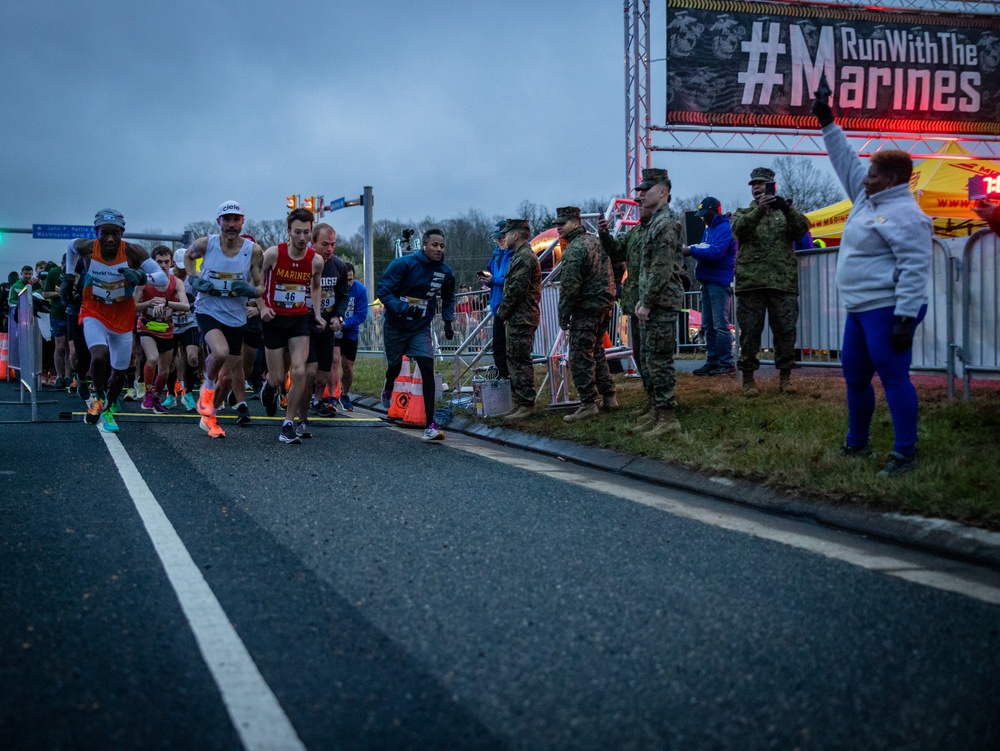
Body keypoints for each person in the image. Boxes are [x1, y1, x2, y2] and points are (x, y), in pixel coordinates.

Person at [813, 93, 932, 478]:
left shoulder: (908, 215)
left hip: (889, 309)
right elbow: (844, 158)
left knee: (894, 375)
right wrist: (828, 120)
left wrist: (905, 317)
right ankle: (858, 444)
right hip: (860, 309)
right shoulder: (867, 198)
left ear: (893, 180)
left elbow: (916, 267)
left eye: (874, 175)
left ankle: (905, 454)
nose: (865, 179)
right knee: (855, 375)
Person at [62, 209, 167, 432]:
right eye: (105, 233)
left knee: (119, 372)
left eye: (115, 234)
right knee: (99, 355)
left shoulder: (133, 252)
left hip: (122, 317)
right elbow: (71, 246)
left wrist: (142, 277)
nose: (110, 239)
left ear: (122, 233)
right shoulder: (87, 247)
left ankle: (107, 407)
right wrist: (68, 275)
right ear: (96, 232)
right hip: (94, 312)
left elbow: (162, 279)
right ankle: (97, 395)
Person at [185, 200, 265, 438]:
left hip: (235, 316)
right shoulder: (206, 244)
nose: (231, 225)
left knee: (229, 377)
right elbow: (188, 258)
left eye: (236, 220)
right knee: (219, 352)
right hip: (208, 309)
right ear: (218, 222)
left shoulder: (253, 251)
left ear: (242, 222)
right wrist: (195, 277)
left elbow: (261, 286)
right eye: (226, 220)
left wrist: (249, 290)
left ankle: (209, 417)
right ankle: (207, 391)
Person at [731, 167, 810, 397]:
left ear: (772, 186)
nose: (757, 188)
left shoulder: (785, 213)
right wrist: (759, 211)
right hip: (751, 284)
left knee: (786, 331)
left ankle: (785, 379)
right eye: (754, 184)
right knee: (750, 333)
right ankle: (748, 380)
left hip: (782, 283)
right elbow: (738, 230)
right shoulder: (743, 212)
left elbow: (802, 229)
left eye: (762, 184)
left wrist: (786, 208)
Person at [376, 227, 456, 441]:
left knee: (427, 368)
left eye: (442, 246)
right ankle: (388, 383)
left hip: (420, 326)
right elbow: (383, 290)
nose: (439, 249)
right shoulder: (403, 264)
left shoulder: (445, 272)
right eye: (435, 245)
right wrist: (401, 308)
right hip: (396, 325)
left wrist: (448, 321)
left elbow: (449, 296)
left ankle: (430, 424)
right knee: (394, 365)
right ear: (424, 245)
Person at [257, 207, 326, 444]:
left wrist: (316, 313)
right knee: (277, 378)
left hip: (299, 318)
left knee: (299, 371)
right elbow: (255, 281)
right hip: (274, 319)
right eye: (297, 232)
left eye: (306, 233)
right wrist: (262, 307)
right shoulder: (273, 254)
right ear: (288, 231)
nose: (302, 238)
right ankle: (269, 386)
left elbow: (315, 287)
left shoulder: (315, 260)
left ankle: (288, 423)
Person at [633, 169, 688, 436]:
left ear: (663, 192)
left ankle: (668, 419)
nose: (641, 195)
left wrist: (647, 301)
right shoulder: (656, 221)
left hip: (661, 302)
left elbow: (661, 269)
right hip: (653, 301)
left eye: (647, 190)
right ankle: (657, 411)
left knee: (659, 360)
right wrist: (642, 300)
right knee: (649, 358)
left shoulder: (666, 223)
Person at [555, 205, 618, 422]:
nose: (558, 228)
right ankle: (609, 396)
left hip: (587, 307)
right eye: (557, 224)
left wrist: (563, 315)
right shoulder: (594, 241)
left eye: (562, 223)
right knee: (597, 350)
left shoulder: (574, 249)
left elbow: (570, 287)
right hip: (604, 303)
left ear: (575, 222)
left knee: (580, 355)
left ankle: (588, 403)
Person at [598, 189, 652, 416]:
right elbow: (617, 250)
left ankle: (662, 405)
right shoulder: (636, 232)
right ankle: (652, 401)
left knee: (653, 356)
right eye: (637, 201)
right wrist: (604, 234)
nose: (638, 203)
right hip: (636, 302)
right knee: (640, 354)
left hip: (652, 303)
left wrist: (648, 300)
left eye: (642, 200)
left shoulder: (661, 227)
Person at [302, 222, 349, 430]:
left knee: (324, 370)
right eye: (324, 244)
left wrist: (338, 315)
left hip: (327, 324)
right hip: (304, 322)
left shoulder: (338, 266)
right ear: (312, 243)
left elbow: (343, 296)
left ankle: (317, 401)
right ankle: (295, 400)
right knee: (308, 369)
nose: (329, 249)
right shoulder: (302, 262)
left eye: (333, 244)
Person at [684, 196, 737, 376]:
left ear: (715, 211)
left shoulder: (724, 228)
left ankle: (726, 363)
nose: (703, 218)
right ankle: (713, 361)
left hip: (719, 282)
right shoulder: (711, 229)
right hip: (708, 281)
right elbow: (707, 249)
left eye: (705, 214)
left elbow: (715, 253)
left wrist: (691, 250)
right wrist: (698, 249)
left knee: (720, 324)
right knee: (708, 324)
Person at [495, 219, 542, 421]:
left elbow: (516, 290)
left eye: (508, 233)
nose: (504, 237)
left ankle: (526, 404)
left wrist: (502, 312)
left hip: (522, 317)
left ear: (517, 234)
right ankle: (521, 402)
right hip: (517, 316)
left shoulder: (524, 258)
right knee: (513, 359)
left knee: (520, 361)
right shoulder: (518, 256)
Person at [135, 246, 189, 412]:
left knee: (165, 371)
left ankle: (157, 398)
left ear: (171, 262)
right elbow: (132, 306)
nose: (163, 265)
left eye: (166, 262)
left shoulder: (176, 282)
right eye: (159, 262)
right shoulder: (144, 282)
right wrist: (149, 303)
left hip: (166, 328)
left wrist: (166, 303)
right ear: (153, 263)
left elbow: (186, 306)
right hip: (147, 326)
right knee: (152, 359)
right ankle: (148, 393)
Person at [479, 220, 514, 379]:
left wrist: (492, 280)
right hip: (497, 307)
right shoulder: (496, 255)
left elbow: (510, 281)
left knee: (511, 349)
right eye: (497, 238)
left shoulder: (516, 255)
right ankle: (502, 379)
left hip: (510, 308)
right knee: (498, 347)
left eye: (502, 237)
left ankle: (513, 383)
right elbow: (488, 271)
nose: (499, 241)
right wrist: (485, 277)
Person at [332, 263, 368, 412]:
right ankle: (332, 396)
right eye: (345, 280)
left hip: (350, 331)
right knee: (334, 361)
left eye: (351, 280)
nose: (348, 283)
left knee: (348, 367)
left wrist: (345, 324)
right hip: (334, 330)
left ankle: (344, 394)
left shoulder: (360, 290)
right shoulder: (334, 289)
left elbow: (362, 314)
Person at [170, 248, 201, 412]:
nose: (183, 270)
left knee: (193, 358)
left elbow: (202, 299)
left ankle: (188, 393)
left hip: (190, 321)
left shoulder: (194, 276)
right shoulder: (167, 276)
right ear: (174, 263)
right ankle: (170, 394)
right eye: (179, 267)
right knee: (169, 360)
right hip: (171, 323)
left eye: (185, 267)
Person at [42, 259, 72, 389]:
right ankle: (59, 375)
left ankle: (68, 376)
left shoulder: (75, 273)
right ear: (62, 263)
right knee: (60, 346)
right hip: (57, 313)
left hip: (71, 313)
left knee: (70, 347)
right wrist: (60, 292)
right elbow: (45, 294)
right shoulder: (54, 273)